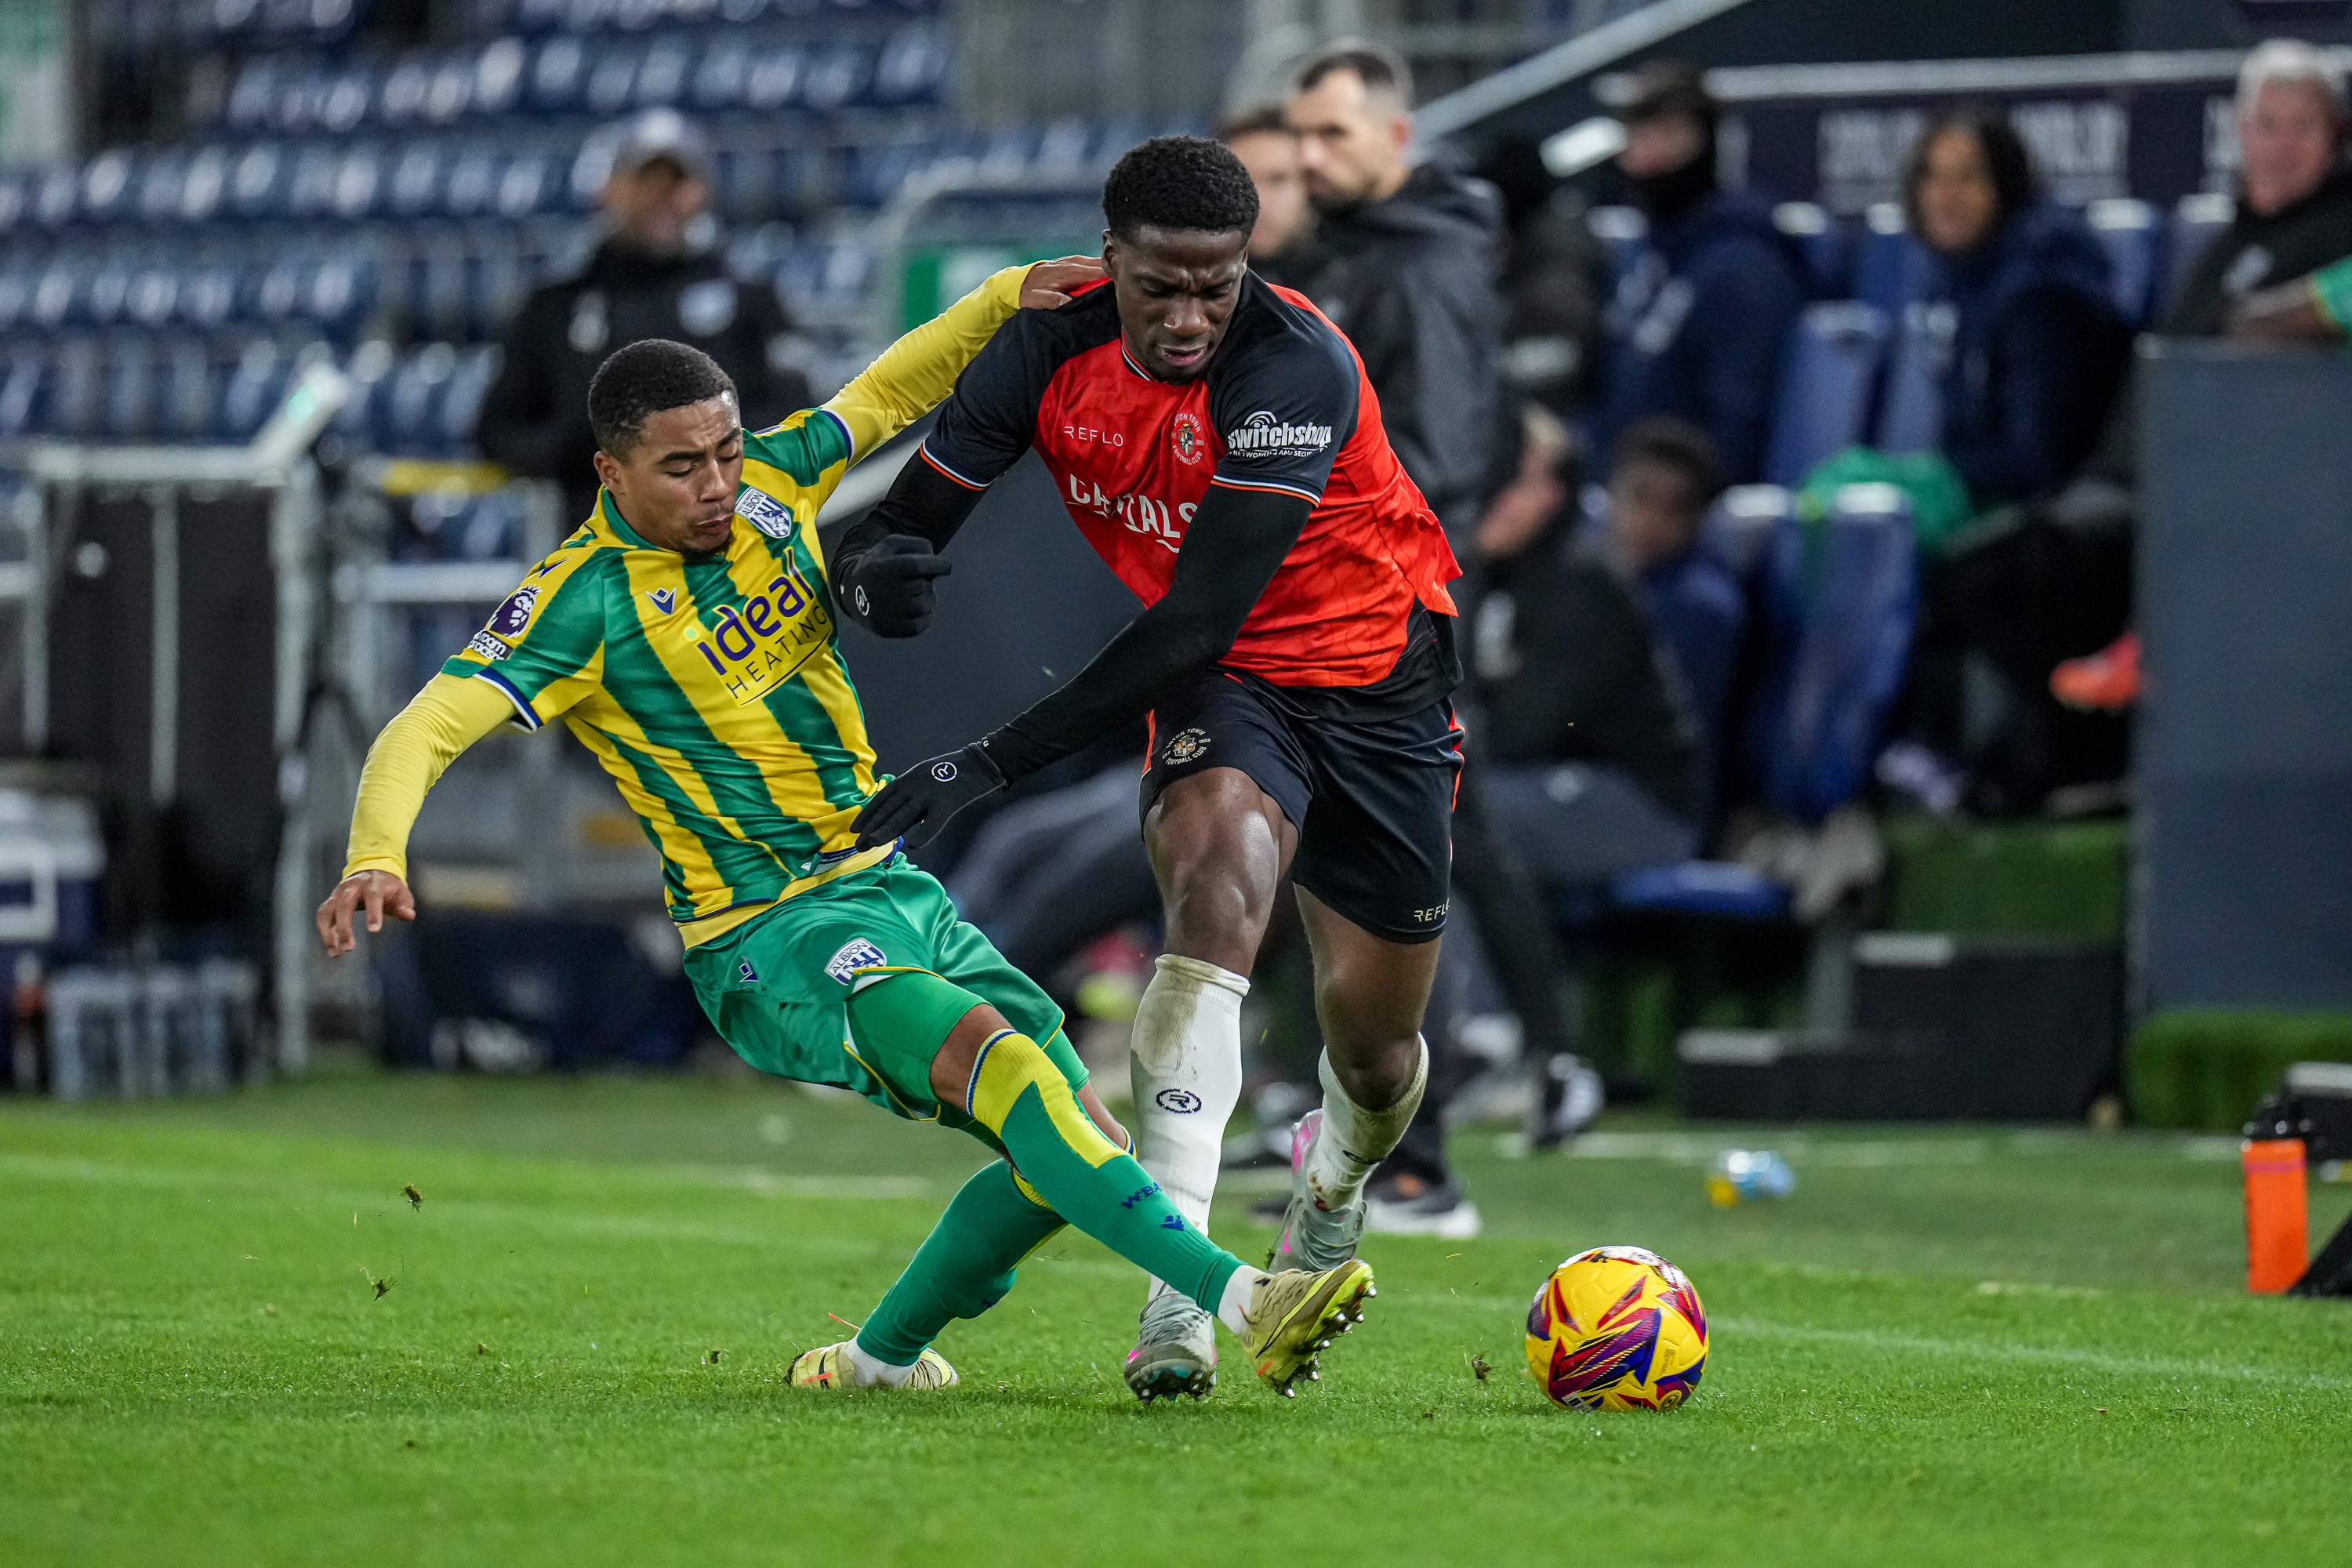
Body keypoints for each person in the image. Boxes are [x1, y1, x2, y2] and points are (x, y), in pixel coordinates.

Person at [315, 263, 1376, 1400]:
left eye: (725, 450)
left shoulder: (773, 485)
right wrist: (375, 852)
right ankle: (1243, 1299)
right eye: (681, 467)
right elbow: (424, 725)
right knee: (1007, 1066)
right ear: (609, 472)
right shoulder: (581, 600)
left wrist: (1002, 296)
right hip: (763, 935)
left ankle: (876, 1361)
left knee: (1066, 1142)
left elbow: (884, 395)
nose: (719, 484)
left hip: (885, 886)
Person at [828, 136, 1459, 1402]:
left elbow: (1195, 616)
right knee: (1213, 889)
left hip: (1377, 682)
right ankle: (1180, 1295)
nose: (1187, 317)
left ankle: (1331, 1186)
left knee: (1378, 1053)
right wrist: (878, 570)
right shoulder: (1039, 348)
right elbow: (913, 519)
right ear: (1106, 260)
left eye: (1213, 287)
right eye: (1159, 285)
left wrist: (987, 764)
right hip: (1234, 691)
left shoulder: (1294, 366)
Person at [475, 109, 812, 526]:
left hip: (729, 552)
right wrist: (599, 450)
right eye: (645, 182)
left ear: (701, 192)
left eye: (676, 183)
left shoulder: (751, 302)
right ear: (609, 190)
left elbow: (794, 414)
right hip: (600, 552)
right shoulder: (554, 308)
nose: (661, 198)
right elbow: (499, 430)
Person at [1284, 41, 1506, 541]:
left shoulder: (1426, 267)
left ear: (1397, 135)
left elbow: (1431, 460)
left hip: (1395, 579)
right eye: (1298, 135)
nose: (1308, 157)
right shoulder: (1345, 246)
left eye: (1332, 134)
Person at [1904, 113, 2132, 512]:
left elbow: (2042, 464)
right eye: (1932, 176)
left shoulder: (2044, 295)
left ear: (2007, 186)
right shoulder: (1959, 280)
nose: (1944, 196)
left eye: (1967, 177)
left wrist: (1945, 478)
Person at [1595, 63, 1804, 486]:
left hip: (1685, 507)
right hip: (1621, 494)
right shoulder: (1641, 261)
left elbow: (1740, 422)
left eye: (1668, 137)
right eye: (1639, 137)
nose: (1649, 157)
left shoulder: (1746, 267)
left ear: (1707, 144)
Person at [1217, 106, 1325, 290]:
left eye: (1277, 180)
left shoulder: (1359, 281)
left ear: (1310, 184)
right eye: (1239, 182)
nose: (1258, 203)